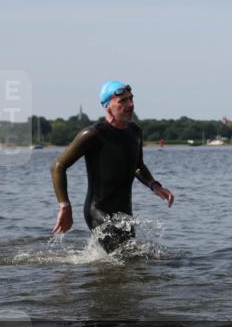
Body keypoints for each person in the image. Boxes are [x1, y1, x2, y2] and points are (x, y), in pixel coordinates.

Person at [51, 81, 174, 252]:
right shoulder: (93, 134)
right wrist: (65, 207)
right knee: (125, 259)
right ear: (108, 106)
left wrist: (154, 185)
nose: (130, 104)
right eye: (122, 101)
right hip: (98, 211)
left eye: (131, 99)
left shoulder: (135, 132)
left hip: (125, 214)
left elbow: (137, 165)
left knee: (129, 263)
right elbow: (58, 166)